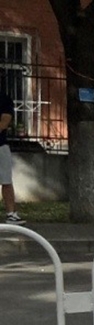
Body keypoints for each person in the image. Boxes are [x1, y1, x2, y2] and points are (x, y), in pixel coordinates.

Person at [0, 88, 23, 225]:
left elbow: (4, 122)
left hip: (0, 146)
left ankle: (11, 214)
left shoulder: (3, 99)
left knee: (6, 180)